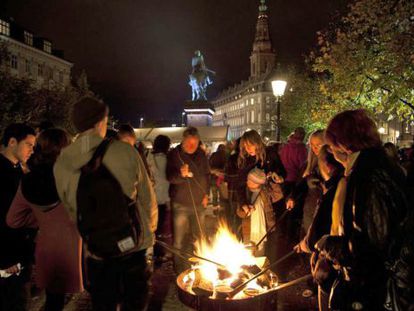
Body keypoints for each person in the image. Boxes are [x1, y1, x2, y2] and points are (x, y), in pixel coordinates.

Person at [54, 97, 157, 310]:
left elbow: (72, 210)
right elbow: (148, 199)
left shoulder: (62, 162)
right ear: (101, 122)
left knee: (103, 302)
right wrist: (148, 234)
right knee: (134, 302)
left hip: (96, 250)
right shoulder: (125, 151)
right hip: (132, 245)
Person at [315, 109, 410, 310]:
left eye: (331, 146)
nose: (331, 152)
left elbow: (372, 246)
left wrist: (330, 245)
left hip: (372, 291)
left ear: (343, 144)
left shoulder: (369, 175)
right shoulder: (375, 167)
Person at [7, 128, 82, 311]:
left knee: (53, 300)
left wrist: (42, 220)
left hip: (46, 246)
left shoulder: (28, 181)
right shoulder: (74, 179)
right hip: (75, 247)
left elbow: (13, 220)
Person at [294, 145, 343, 310]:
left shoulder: (335, 189)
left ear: (327, 165)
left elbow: (318, 231)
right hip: (339, 259)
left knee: (330, 301)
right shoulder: (343, 183)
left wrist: (305, 244)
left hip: (332, 261)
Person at [0, 123, 36, 311]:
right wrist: (7, 258)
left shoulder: (16, 170)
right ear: (12, 142)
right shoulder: (5, 174)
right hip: (10, 261)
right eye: (29, 144)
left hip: (17, 256)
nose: (32, 150)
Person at [166, 127, 210, 273]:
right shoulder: (174, 154)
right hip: (181, 204)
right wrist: (181, 174)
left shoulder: (201, 155)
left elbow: (206, 175)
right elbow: (170, 177)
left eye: (195, 144)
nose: (192, 147)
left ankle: (202, 267)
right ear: (183, 141)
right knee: (179, 240)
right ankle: (179, 270)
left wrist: (206, 194)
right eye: (189, 144)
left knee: (201, 237)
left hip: (199, 203)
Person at [236, 168, 276, 263]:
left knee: (260, 254)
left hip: (261, 229)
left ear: (258, 183)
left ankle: (259, 271)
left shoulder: (265, 192)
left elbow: (276, 199)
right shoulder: (244, 193)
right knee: (247, 253)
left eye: (251, 181)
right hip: (248, 229)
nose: (247, 182)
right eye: (248, 179)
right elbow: (239, 212)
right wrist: (245, 210)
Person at [147, 135, 172, 263]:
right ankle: (162, 252)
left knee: (155, 227)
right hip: (165, 197)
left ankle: (156, 252)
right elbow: (168, 179)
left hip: (153, 197)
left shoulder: (148, 158)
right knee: (164, 226)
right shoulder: (167, 159)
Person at [209, 144, 227, 209]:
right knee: (222, 195)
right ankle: (222, 212)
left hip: (213, 177)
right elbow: (226, 167)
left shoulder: (213, 155)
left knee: (214, 194)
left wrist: (214, 171)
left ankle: (215, 209)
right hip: (221, 178)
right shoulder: (225, 155)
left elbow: (209, 166)